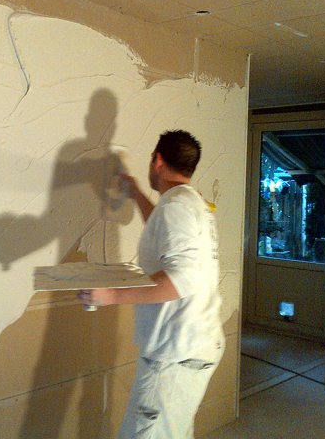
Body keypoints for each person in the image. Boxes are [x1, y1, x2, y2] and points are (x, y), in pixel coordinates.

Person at [78, 130, 224, 439]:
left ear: (157, 161)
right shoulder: (188, 203)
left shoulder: (176, 208)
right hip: (193, 342)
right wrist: (135, 194)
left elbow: (181, 280)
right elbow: (163, 232)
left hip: (176, 352)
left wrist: (110, 296)